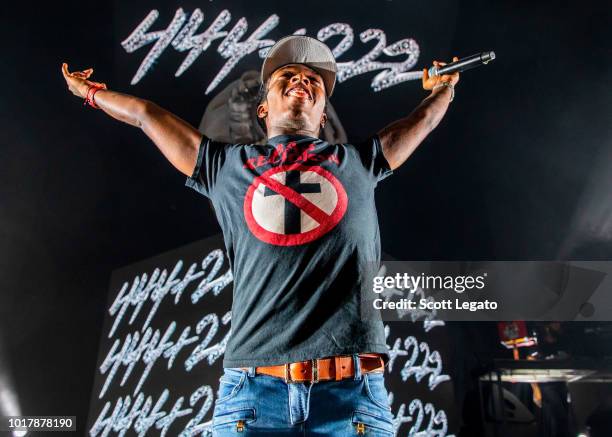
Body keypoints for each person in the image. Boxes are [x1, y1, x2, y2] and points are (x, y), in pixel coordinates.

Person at [62, 35, 459, 436]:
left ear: (323, 115)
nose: (302, 79)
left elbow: (420, 122)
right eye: (287, 74)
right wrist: (91, 93)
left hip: (351, 398)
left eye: (313, 79)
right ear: (263, 108)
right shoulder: (224, 167)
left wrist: (444, 88)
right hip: (253, 397)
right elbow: (146, 114)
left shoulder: (359, 162)